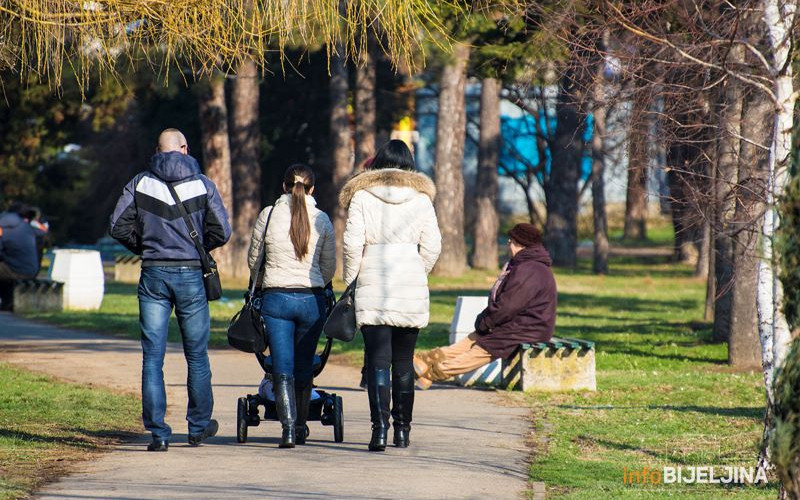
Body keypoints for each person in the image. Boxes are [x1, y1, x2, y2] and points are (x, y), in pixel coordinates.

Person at [109, 128, 231, 452]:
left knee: (153, 357)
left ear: (158, 151)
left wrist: (144, 246)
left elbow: (117, 225)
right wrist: (200, 248)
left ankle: (158, 432)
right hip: (191, 275)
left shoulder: (140, 183)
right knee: (197, 355)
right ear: (185, 148)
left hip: (153, 275)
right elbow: (223, 230)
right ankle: (198, 427)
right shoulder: (203, 184)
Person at [340, 139, 441, 451]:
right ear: (409, 164)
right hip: (409, 284)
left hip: (373, 283)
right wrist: (416, 270)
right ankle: (402, 431)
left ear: (379, 163)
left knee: (378, 362)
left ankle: (379, 430)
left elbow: (351, 244)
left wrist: (351, 281)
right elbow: (433, 246)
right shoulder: (422, 198)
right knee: (403, 362)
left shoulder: (361, 196)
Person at [247, 164, 335, 448]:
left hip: (276, 299)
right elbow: (329, 267)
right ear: (312, 190)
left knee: (281, 366)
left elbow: (254, 259)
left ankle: (286, 429)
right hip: (311, 301)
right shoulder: (322, 219)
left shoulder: (268, 215)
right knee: (304, 365)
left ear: (284, 187)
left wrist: (260, 283)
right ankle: (299, 426)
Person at [413, 223, 557, 389]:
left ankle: (433, 373)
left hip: (528, 330)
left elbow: (508, 306)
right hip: (518, 325)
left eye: (510, 241)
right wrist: (486, 322)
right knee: (472, 340)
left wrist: (486, 321)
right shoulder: (528, 266)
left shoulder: (529, 269)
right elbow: (507, 305)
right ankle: (425, 360)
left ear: (518, 243)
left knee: (483, 349)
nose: (508, 245)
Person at [0, 202, 42, 311]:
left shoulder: (3, 228)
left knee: (4, 271)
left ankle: (7, 301)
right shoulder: (26, 226)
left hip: (18, 269)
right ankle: (7, 302)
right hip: (32, 269)